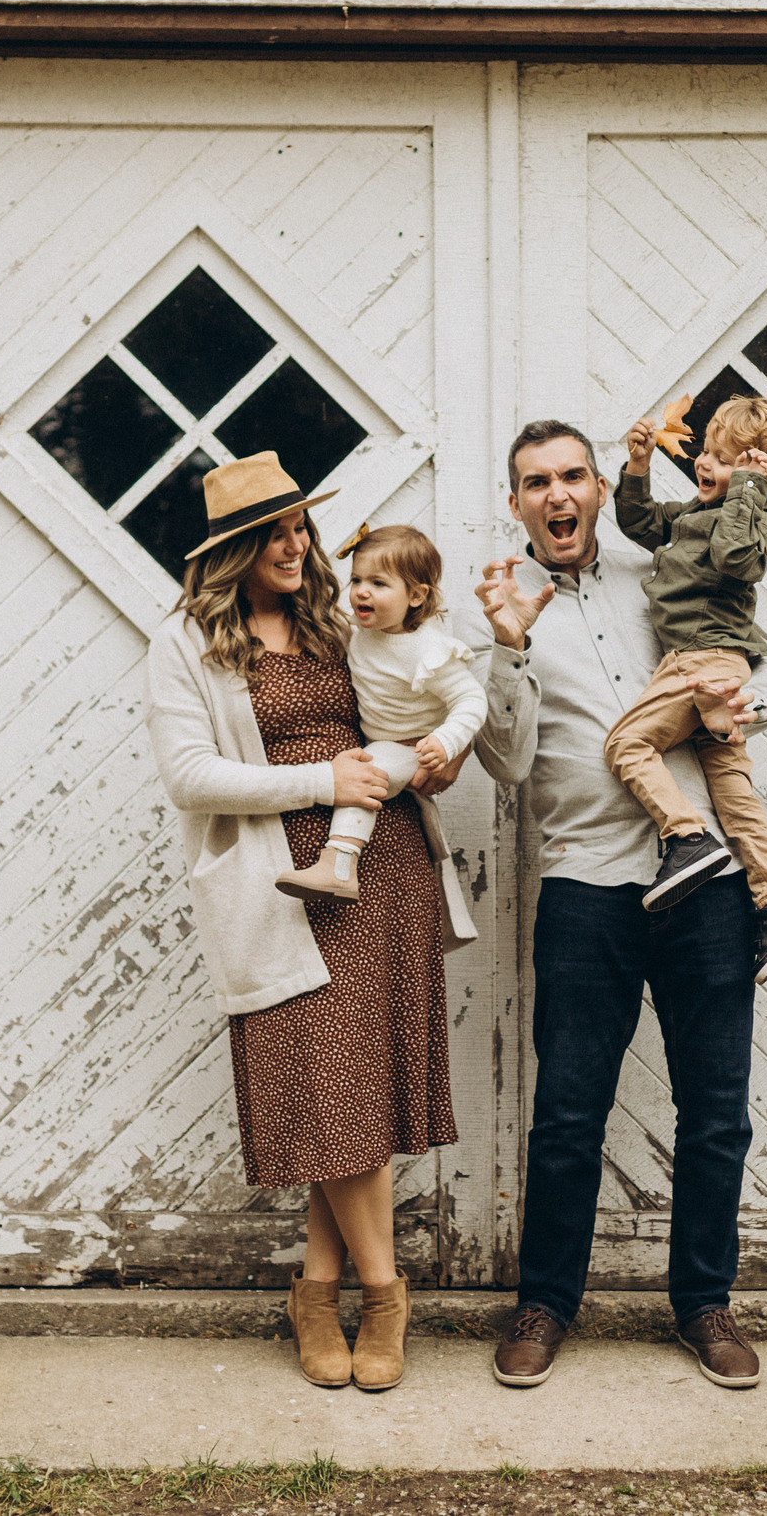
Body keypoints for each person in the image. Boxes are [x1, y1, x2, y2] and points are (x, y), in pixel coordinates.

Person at [456, 419, 767, 1395]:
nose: (557, 494)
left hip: (707, 881)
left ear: (600, 489)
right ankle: (544, 1304)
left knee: (716, 1111)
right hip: (585, 885)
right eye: (537, 482)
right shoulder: (498, 617)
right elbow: (505, 763)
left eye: (573, 475)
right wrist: (508, 649)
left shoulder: (664, 573)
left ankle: (704, 1304)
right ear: (516, 502)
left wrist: (743, 702)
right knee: (568, 1113)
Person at [143, 453, 459, 1395]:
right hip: (282, 887)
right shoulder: (187, 642)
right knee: (331, 1089)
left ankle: (317, 1292)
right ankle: (385, 1294)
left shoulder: (338, 614)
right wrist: (323, 779)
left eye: (299, 527)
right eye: (272, 534)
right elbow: (189, 776)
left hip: (379, 869)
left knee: (352, 1093)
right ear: (231, 549)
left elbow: (413, 693)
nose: (295, 545)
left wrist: (435, 751)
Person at [606, 395, 767, 979]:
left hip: (703, 659)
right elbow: (641, 523)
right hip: (714, 668)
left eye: (725, 461)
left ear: (763, 478)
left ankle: (687, 838)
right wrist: (639, 466)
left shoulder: (750, 517)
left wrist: (748, 488)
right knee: (730, 786)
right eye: (707, 451)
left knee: (627, 745)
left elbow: (734, 558)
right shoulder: (699, 512)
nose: (705, 463)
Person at [273, 523, 483, 948]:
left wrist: (446, 742)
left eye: (378, 584)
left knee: (367, 775)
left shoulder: (427, 649)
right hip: (379, 739)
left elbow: (473, 700)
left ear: (416, 596)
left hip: (409, 745)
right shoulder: (360, 631)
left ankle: (339, 865)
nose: (361, 592)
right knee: (370, 763)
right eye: (356, 580)